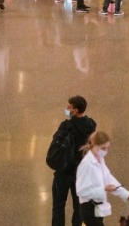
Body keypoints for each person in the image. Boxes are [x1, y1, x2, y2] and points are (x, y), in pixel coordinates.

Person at [51, 96, 98, 226]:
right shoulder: (91, 125)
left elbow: (56, 142)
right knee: (78, 206)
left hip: (64, 171)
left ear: (75, 110)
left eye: (69, 107)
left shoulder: (66, 125)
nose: (67, 109)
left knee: (59, 205)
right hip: (81, 173)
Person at [75, 130, 129, 225]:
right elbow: (81, 191)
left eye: (107, 148)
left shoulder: (99, 159)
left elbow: (108, 177)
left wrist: (125, 193)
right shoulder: (86, 165)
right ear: (94, 145)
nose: (105, 151)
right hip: (89, 209)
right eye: (103, 148)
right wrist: (103, 189)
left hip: (98, 208)